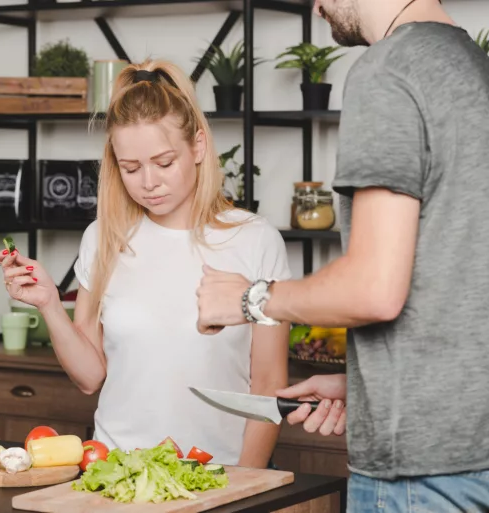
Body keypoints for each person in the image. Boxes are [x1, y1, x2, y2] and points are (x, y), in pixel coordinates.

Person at [196, 0, 489, 510]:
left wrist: (251, 300)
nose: (316, 4)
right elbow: (463, 286)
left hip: (421, 474)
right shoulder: (473, 68)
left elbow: (373, 290)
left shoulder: (390, 69)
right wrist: (368, 385)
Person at [0, 59, 292, 467]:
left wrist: (245, 484)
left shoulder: (255, 239)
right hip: (115, 471)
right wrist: (48, 304)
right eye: (130, 168)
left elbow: (269, 384)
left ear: (198, 146)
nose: (148, 182)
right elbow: (89, 377)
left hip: (217, 474)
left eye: (164, 163)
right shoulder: (103, 237)